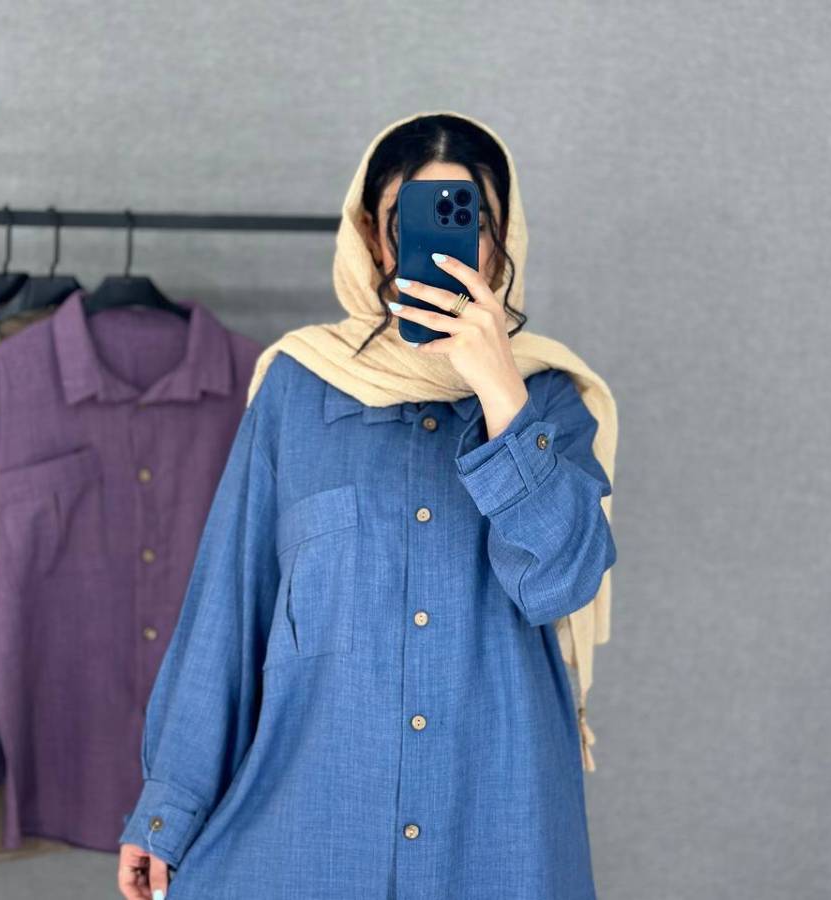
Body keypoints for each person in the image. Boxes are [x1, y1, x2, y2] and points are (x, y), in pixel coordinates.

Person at [117, 109, 618, 900]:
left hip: (495, 826)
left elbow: (559, 581)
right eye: (410, 219)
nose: (445, 245)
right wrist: (165, 814)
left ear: (501, 238)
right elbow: (229, 607)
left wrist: (500, 392)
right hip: (312, 823)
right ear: (374, 237)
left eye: (469, 218)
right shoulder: (298, 387)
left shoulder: (549, 399)